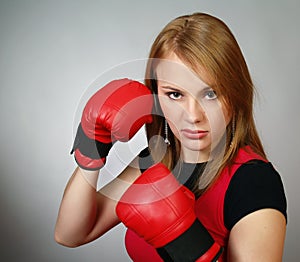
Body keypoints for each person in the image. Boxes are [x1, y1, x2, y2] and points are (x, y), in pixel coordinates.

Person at [54, 13, 287, 261]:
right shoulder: (155, 160)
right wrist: (93, 146)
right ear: (155, 97)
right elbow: (71, 234)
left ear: (235, 93)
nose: (193, 115)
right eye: (175, 94)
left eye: (210, 94)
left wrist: (187, 247)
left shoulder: (254, 183)